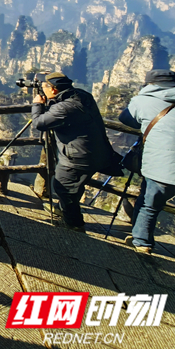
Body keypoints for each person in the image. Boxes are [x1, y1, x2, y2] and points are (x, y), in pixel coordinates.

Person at [119, 69, 175, 257]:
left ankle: (142, 243)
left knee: (148, 205)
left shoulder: (142, 100)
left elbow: (125, 118)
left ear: (150, 84)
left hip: (161, 167)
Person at [32, 71, 112, 232]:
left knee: (64, 187)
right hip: (95, 152)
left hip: (78, 157)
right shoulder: (82, 96)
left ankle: (74, 226)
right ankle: (64, 210)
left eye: (44, 86)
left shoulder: (65, 108)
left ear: (53, 89)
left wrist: (37, 104)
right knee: (74, 186)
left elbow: (39, 123)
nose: (42, 89)